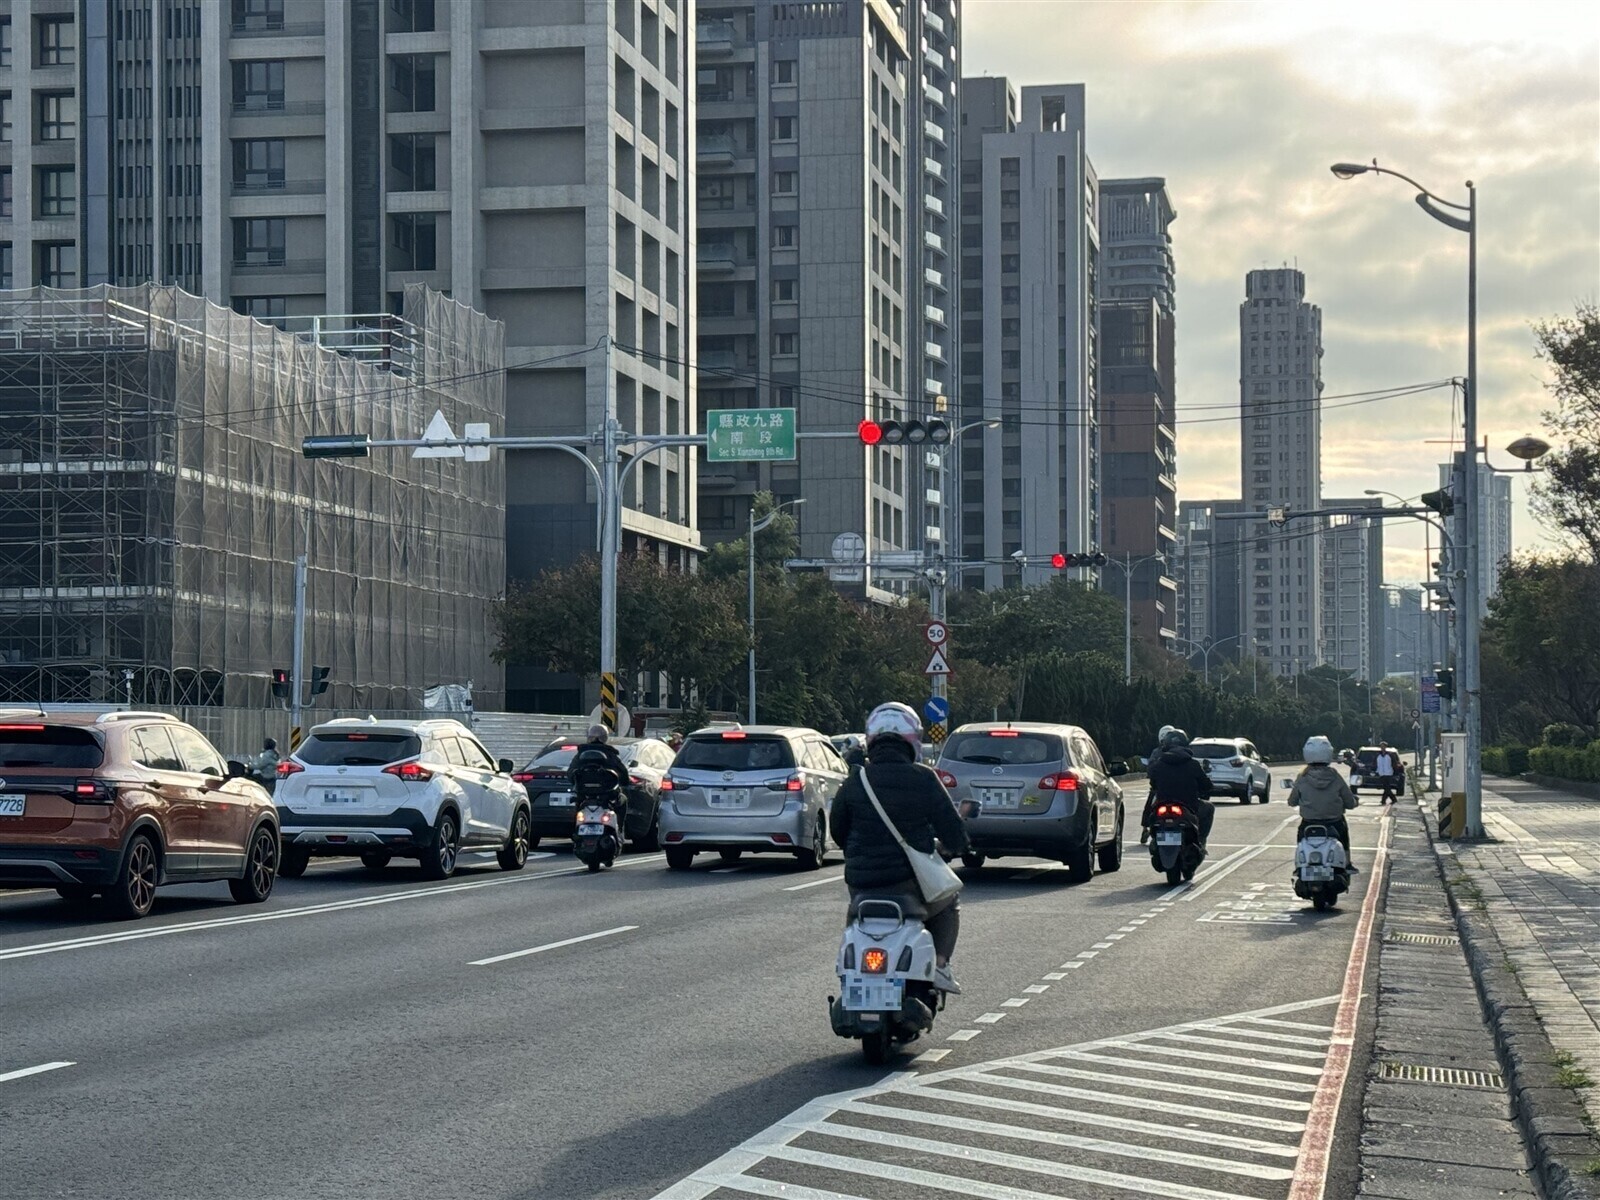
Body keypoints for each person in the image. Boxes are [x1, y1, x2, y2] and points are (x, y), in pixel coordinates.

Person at [831, 701, 971, 992]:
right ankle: (941, 965)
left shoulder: (856, 782)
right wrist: (952, 848)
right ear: (912, 742)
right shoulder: (924, 778)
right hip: (909, 883)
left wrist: (860, 855)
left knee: (855, 915)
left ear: (871, 740)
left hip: (862, 883)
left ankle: (850, 976)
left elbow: (838, 831)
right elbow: (954, 834)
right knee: (948, 902)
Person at [1288, 735, 1359, 871]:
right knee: (1343, 835)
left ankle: (1300, 866)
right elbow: (1349, 801)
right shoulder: (1335, 776)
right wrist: (1354, 802)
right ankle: (1347, 864)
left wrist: (1294, 802)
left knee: (1300, 837)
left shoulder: (1302, 777)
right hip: (1334, 822)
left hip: (1309, 822)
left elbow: (1292, 800)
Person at [1144, 728, 1215, 846]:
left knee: (1151, 813)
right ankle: (1201, 842)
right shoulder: (1193, 765)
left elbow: (1153, 782)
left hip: (1163, 804)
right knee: (1209, 808)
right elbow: (1206, 785)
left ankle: (1153, 838)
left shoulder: (1158, 764)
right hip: (1188, 806)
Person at [569, 724, 630, 838]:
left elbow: (570, 774)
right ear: (605, 737)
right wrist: (624, 781)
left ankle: (575, 831)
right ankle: (620, 831)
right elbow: (623, 774)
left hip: (584, 796)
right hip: (606, 796)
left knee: (577, 806)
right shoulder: (610, 754)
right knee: (623, 800)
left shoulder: (580, 754)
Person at [1374, 741, 1401, 805]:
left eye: (1383, 746)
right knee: (1386, 787)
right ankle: (1387, 800)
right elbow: (1375, 764)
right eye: (1381, 746)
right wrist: (1375, 770)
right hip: (1381, 773)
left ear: (1386, 747)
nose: (1382, 748)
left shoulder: (1390, 755)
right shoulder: (1378, 755)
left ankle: (1390, 800)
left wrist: (1395, 772)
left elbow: (1394, 764)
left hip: (1388, 773)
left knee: (1387, 787)